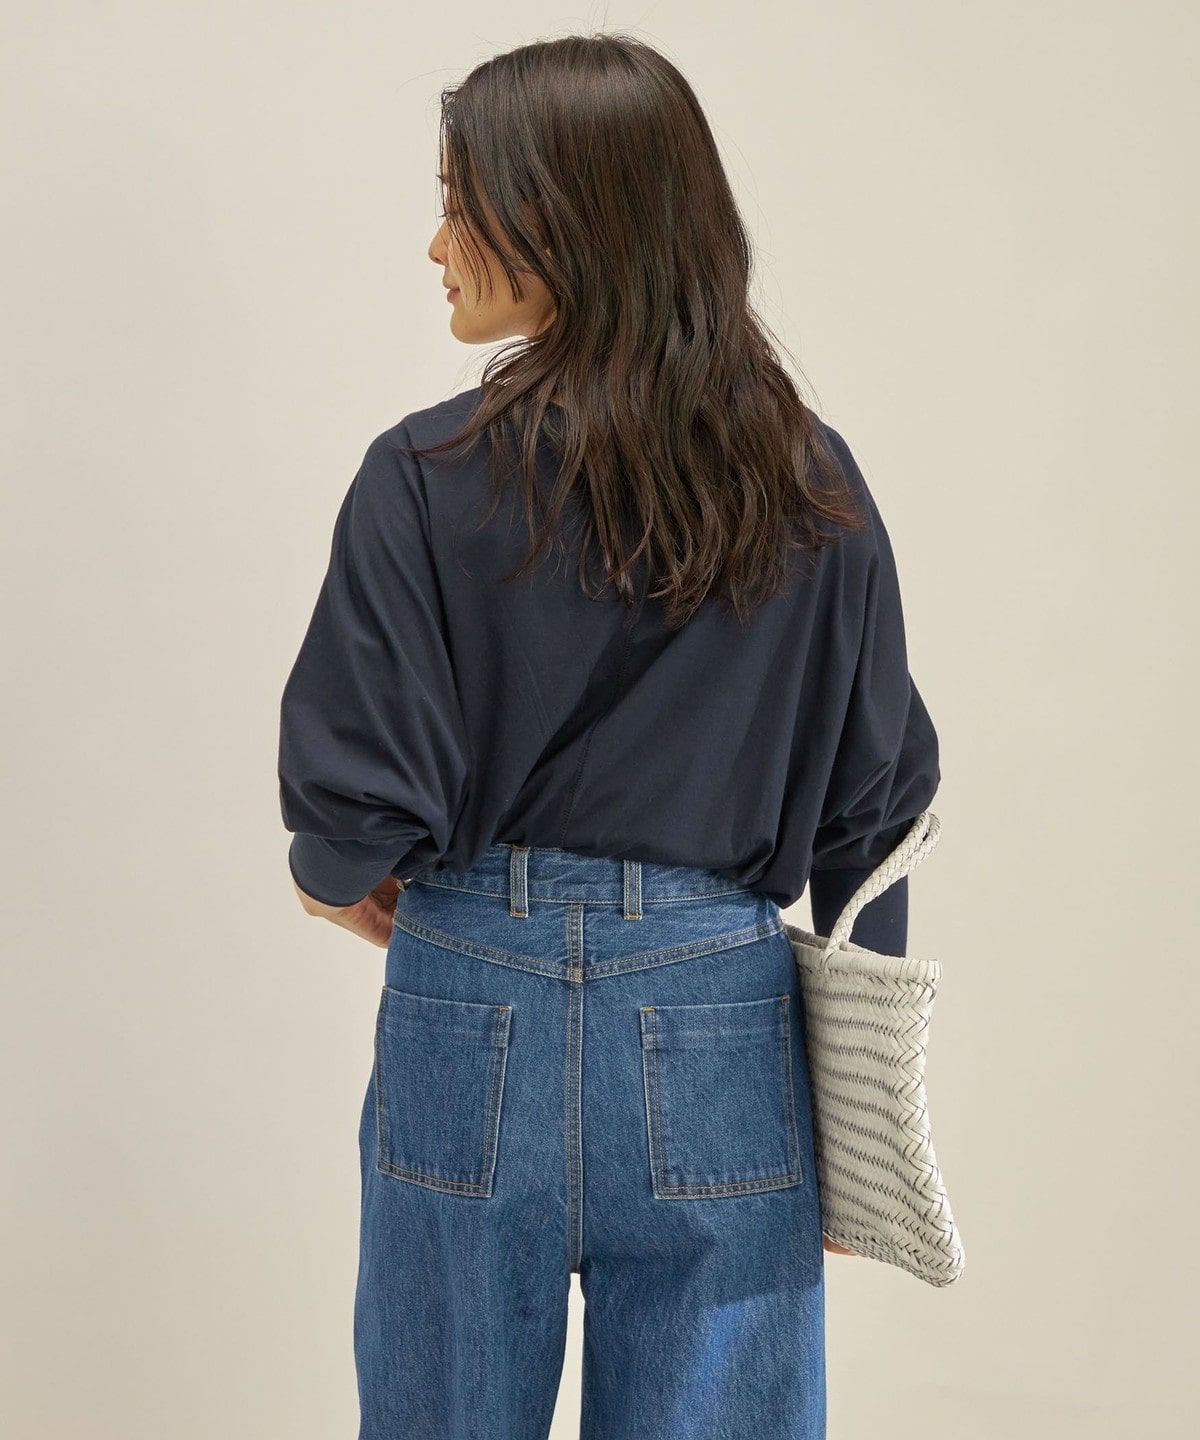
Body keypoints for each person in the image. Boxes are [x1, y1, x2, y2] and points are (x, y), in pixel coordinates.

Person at [277, 31, 939, 1440]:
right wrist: (849, 1114)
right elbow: (878, 817)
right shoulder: (811, 483)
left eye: (460, 203)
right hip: (720, 1026)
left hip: (469, 1002)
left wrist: (348, 883)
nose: (436, 245)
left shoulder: (421, 476)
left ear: (557, 219)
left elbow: (345, 825)